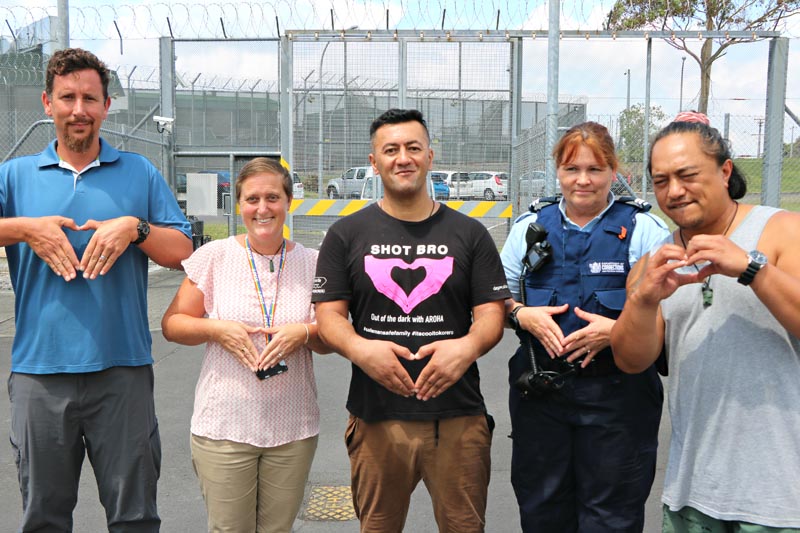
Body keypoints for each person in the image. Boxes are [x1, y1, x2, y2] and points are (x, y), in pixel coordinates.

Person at [0, 48, 192, 531]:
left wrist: (135, 228)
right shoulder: (16, 176)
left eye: (90, 97)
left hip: (122, 373)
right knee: (43, 518)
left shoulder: (140, 172)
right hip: (40, 375)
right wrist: (26, 230)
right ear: (47, 103)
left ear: (107, 105)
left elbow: (183, 249)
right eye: (67, 97)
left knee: (134, 518)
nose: (78, 109)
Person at [312, 108, 510, 533]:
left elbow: (492, 315)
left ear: (430, 157)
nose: (403, 158)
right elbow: (329, 317)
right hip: (377, 417)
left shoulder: (469, 234)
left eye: (413, 148)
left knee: (464, 527)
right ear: (374, 162)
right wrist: (361, 350)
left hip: (457, 417)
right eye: (391, 150)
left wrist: (467, 347)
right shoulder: (346, 235)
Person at [611, 120, 800, 531]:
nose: (674, 190)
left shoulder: (783, 230)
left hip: (783, 501)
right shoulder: (652, 263)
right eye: (660, 181)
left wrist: (752, 268)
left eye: (688, 175)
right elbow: (630, 361)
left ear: (725, 172)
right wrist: (642, 299)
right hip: (693, 495)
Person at [500, 121, 670, 532]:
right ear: (557, 170)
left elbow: (671, 314)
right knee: (543, 509)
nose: (582, 180)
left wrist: (618, 332)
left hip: (618, 400)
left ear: (614, 171)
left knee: (611, 514)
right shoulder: (528, 229)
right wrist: (521, 314)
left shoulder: (645, 230)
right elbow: (495, 299)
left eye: (595, 169)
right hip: (541, 396)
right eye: (571, 169)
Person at [161, 157, 330, 533]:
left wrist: (302, 333)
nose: (263, 208)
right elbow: (173, 324)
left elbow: (332, 337)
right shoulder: (215, 257)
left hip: (292, 428)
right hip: (225, 427)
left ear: (289, 202)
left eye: (273, 197)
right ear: (239, 205)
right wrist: (216, 329)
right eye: (252, 199)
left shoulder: (312, 263)